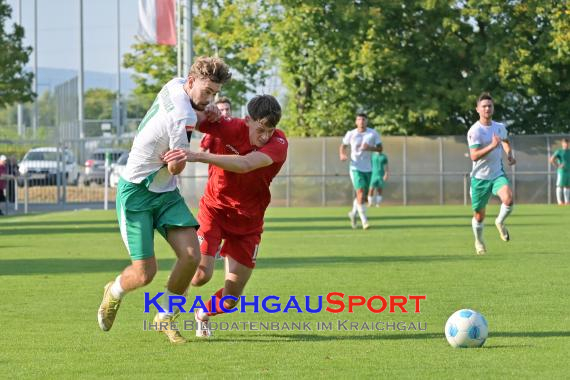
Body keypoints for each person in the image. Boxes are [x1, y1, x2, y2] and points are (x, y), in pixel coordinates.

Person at [97, 56, 232, 344]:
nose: (210, 99)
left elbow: (196, 110)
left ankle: (165, 317)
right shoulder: (182, 118)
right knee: (145, 273)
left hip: (166, 193)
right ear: (193, 81)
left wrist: (208, 112)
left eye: (214, 94)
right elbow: (175, 166)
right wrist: (176, 161)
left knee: (192, 256)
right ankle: (114, 291)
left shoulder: (176, 83)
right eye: (207, 92)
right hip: (136, 192)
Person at [161, 94, 287, 338]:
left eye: (270, 130)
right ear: (247, 120)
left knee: (230, 301)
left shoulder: (279, 143)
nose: (265, 137)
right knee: (199, 276)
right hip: (215, 210)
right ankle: (168, 305)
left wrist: (198, 156)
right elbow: (186, 116)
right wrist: (206, 109)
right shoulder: (229, 126)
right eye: (260, 129)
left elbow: (246, 164)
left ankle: (202, 314)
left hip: (249, 223)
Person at [467, 92, 516, 255]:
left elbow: (506, 141)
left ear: (493, 108)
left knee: (508, 198)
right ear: (478, 109)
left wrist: (509, 154)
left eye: (490, 105)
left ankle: (500, 222)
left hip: (497, 174)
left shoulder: (499, 127)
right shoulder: (475, 131)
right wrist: (492, 146)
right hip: (479, 179)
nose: (487, 108)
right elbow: (474, 155)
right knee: (479, 217)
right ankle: (479, 241)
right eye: (484, 106)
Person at [339, 113, 382, 230]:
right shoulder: (351, 134)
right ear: (356, 122)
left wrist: (370, 148)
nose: (361, 121)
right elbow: (343, 146)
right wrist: (342, 154)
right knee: (361, 192)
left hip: (368, 168)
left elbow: (380, 148)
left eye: (363, 119)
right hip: (355, 167)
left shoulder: (373, 133)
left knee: (362, 197)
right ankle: (364, 221)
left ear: (367, 121)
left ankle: (353, 214)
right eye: (359, 119)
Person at [550, 138, 570, 205]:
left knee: (567, 186)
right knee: (559, 185)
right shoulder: (559, 151)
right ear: (562, 144)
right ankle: (559, 202)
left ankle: (567, 202)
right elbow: (551, 159)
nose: (566, 144)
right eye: (565, 143)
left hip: (569, 171)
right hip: (562, 171)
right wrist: (558, 166)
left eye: (567, 143)